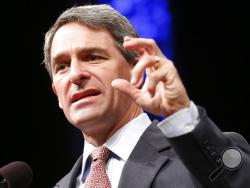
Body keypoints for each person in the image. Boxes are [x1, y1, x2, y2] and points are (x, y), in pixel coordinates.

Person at [43, 4, 250, 188]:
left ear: (137, 69)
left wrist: (180, 113)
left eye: (93, 57)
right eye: (62, 66)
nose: (75, 74)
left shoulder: (196, 156)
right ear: (57, 94)